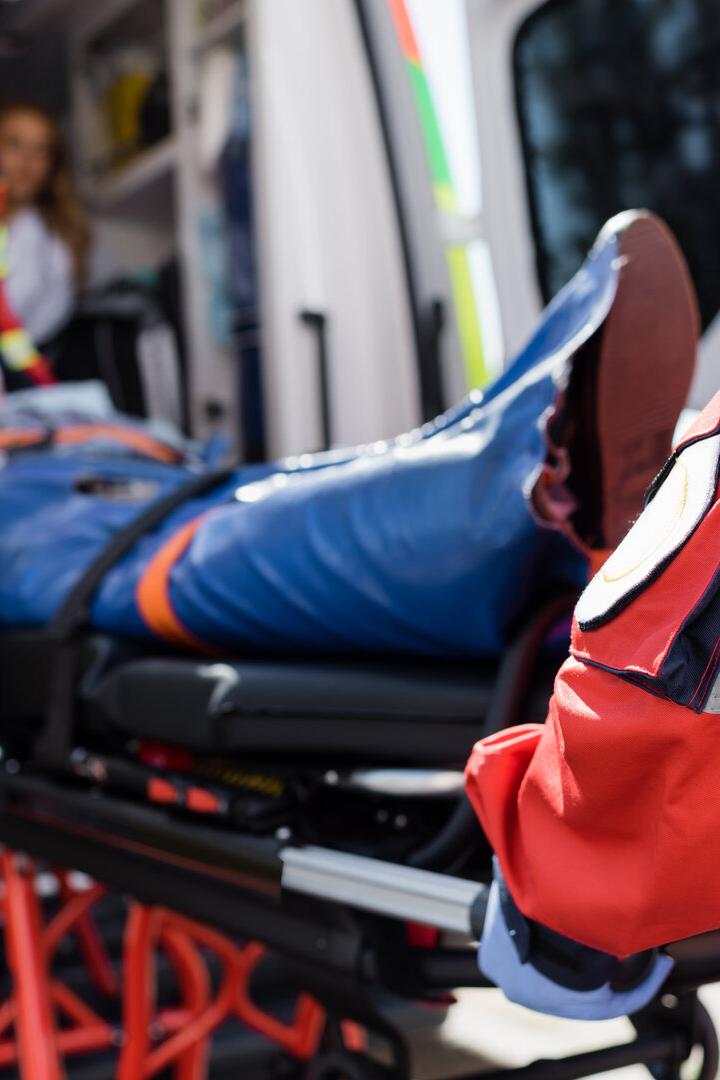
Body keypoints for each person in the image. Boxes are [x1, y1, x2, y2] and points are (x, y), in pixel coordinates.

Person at [0, 101, 90, 347]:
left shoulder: (49, 241)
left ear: (53, 166)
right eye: (14, 144)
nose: (26, 161)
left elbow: (15, 313)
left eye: (41, 150)